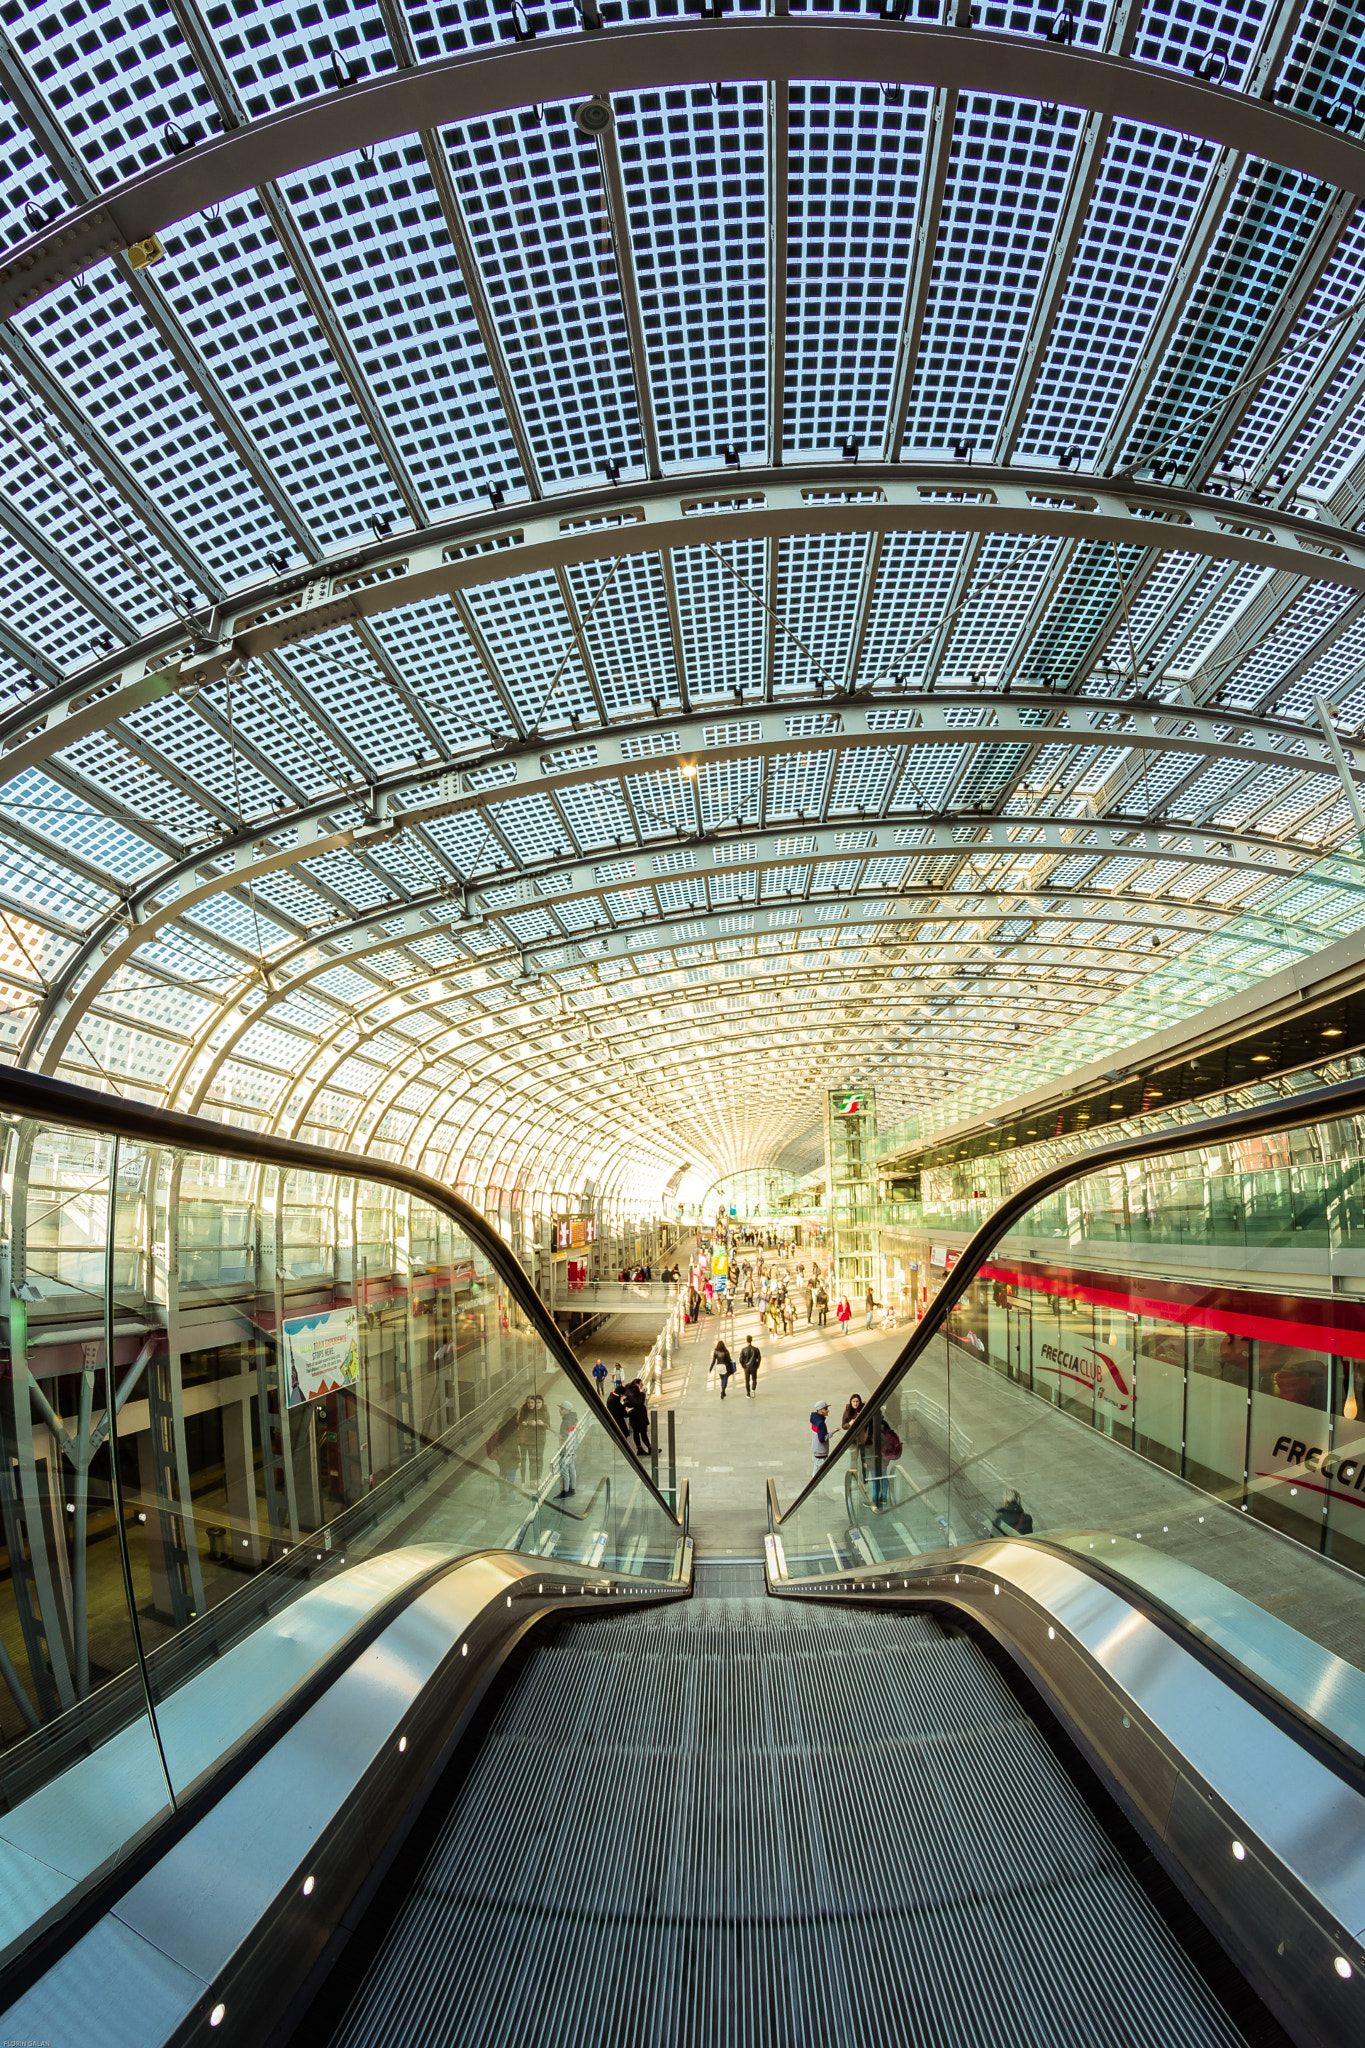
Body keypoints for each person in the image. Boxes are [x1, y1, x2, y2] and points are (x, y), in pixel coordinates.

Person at [517, 1392, 550, 1484]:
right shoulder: (525, 1411)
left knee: (538, 1459)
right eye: (529, 1403)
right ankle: (529, 1480)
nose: (531, 1405)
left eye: (537, 1402)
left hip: (539, 1440)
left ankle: (536, 1479)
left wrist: (541, 1424)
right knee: (531, 1459)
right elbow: (520, 1423)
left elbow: (548, 1425)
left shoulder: (544, 1412)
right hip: (528, 1440)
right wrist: (527, 1424)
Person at [623, 1378, 651, 1454]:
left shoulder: (629, 1394)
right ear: (637, 1385)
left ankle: (640, 1448)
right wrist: (642, 1393)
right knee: (643, 1433)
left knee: (636, 1432)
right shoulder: (634, 1395)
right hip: (639, 1417)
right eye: (640, 1384)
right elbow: (640, 1402)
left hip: (634, 1417)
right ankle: (649, 1448)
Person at [557, 1398, 578, 1496]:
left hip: (566, 1450)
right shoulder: (573, 1419)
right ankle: (572, 1490)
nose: (559, 1410)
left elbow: (563, 1437)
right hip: (573, 1448)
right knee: (572, 1469)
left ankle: (565, 1492)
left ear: (566, 1410)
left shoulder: (565, 1422)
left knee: (564, 1471)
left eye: (561, 1408)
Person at [810, 1401, 831, 1474]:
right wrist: (832, 1433)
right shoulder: (821, 1423)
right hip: (821, 1453)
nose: (827, 1410)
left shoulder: (814, 1419)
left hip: (816, 1451)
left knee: (815, 1473)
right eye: (825, 1409)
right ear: (819, 1410)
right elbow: (822, 1439)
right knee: (819, 1475)